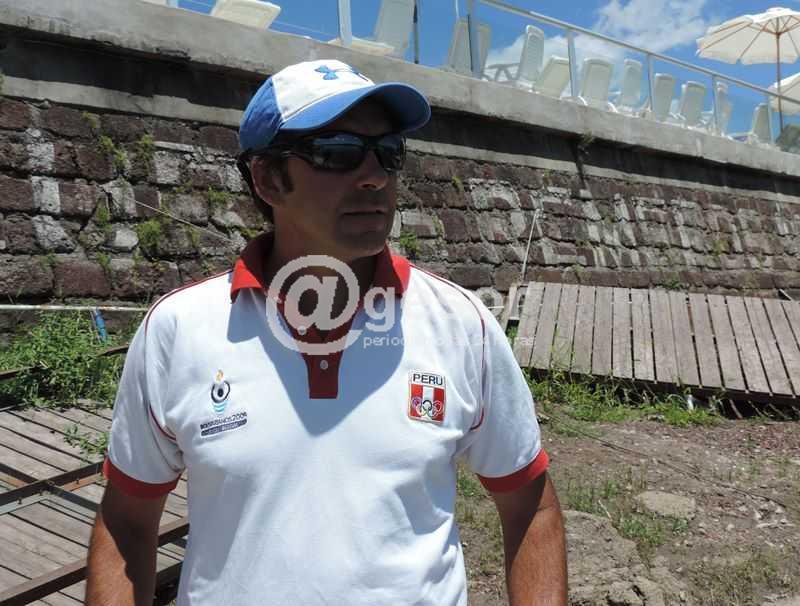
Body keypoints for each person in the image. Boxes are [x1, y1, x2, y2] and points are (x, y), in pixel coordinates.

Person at [86, 59, 567, 606]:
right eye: (338, 152)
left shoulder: (462, 325)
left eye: (388, 151)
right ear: (268, 179)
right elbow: (127, 519)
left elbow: (531, 505)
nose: (375, 175)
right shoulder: (179, 329)